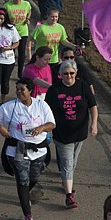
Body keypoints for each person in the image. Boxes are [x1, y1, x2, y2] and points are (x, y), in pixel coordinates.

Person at [0, 78, 55, 220]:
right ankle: (27, 214)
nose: (18, 92)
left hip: (39, 150)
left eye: (22, 89)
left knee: (34, 177)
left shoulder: (41, 105)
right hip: (17, 151)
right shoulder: (11, 106)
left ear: (30, 90)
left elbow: (52, 124)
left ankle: (25, 195)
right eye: (17, 89)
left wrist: (41, 128)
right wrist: (0, 128)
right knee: (22, 180)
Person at [45, 59, 98, 209]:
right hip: (62, 134)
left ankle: (66, 180)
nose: (69, 76)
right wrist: (45, 129)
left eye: (72, 73)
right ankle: (69, 196)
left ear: (76, 73)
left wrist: (94, 124)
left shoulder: (83, 86)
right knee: (68, 163)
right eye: (65, 74)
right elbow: (46, 110)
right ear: (60, 75)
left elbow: (93, 106)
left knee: (72, 162)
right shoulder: (54, 90)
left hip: (80, 133)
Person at [2, 0, 31, 78]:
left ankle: (20, 73)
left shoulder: (26, 4)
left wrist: (27, 18)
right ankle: (9, 70)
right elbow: (3, 17)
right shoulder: (7, 6)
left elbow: (29, 11)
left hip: (23, 31)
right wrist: (9, 22)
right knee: (11, 52)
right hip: (11, 32)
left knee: (22, 52)